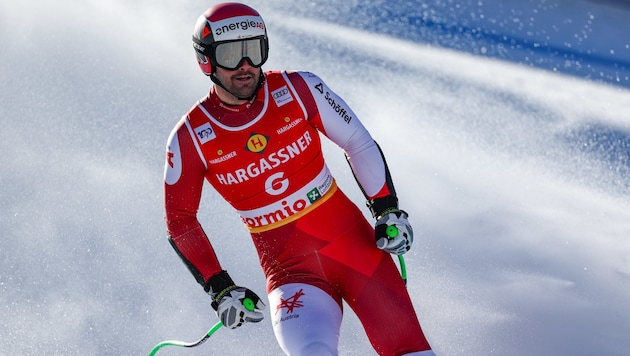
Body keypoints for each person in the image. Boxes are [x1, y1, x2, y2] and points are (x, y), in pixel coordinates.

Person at [163, 2, 435, 355]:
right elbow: (180, 221)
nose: (245, 65)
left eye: (254, 50)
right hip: (291, 274)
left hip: (357, 251)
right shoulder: (190, 137)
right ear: (206, 61)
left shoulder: (299, 88)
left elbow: (357, 140)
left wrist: (386, 210)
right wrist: (220, 288)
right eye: (231, 54)